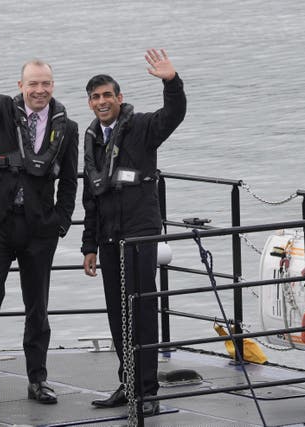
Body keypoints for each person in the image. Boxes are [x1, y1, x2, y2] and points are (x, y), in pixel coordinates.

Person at [0, 25, 78, 408]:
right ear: (21, 84)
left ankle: (38, 379)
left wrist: (61, 221)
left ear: (53, 85)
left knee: (38, 307)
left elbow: (69, 179)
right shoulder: (1, 110)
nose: (40, 90)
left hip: (38, 228)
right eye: (33, 83)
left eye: (46, 83)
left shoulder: (67, 126)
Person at [81, 49, 186, 416]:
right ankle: (127, 385)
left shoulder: (141, 127)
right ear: (90, 103)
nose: (102, 101)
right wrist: (88, 245)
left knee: (141, 312)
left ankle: (148, 391)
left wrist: (171, 82)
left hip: (139, 235)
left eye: (108, 95)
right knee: (117, 314)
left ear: (119, 98)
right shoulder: (92, 137)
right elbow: (90, 195)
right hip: (108, 238)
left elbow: (173, 116)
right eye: (95, 97)